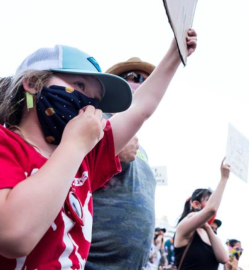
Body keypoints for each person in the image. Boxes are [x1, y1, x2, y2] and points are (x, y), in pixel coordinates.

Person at [0, 30, 197, 269]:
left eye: (96, 100)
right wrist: (75, 144)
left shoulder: (85, 159)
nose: (89, 105)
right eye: (79, 85)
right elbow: (13, 235)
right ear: (32, 82)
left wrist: (176, 52)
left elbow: (140, 108)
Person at [87, 57, 160, 270]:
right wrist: (111, 154)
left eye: (148, 81)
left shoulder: (142, 149)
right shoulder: (95, 120)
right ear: (116, 84)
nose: (143, 85)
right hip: (91, 260)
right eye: (136, 78)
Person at [174, 159, 231, 269]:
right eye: (209, 200)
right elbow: (211, 210)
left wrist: (208, 228)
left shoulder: (209, 232)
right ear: (196, 204)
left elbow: (224, 258)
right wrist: (224, 179)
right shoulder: (184, 226)